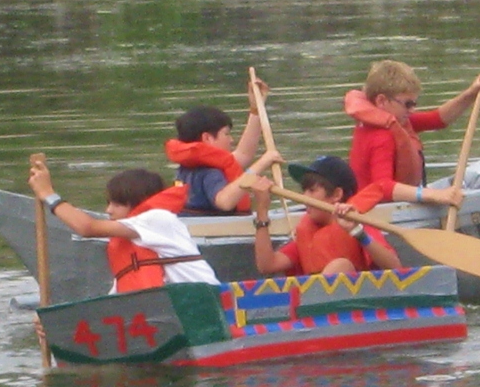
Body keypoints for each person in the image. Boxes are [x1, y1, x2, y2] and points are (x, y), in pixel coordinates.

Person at [28, 161, 220, 293]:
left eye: (117, 204)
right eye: (109, 203)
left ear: (138, 203)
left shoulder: (158, 219)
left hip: (205, 301)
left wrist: (48, 194)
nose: (108, 210)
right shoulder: (129, 241)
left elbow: (87, 228)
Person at [344, 59, 480, 205]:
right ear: (382, 101)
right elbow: (382, 186)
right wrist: (433, 194)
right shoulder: (381, 136)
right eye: (408, 104)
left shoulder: (395, 122)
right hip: (376, 215)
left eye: (414, 104)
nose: (412, 110)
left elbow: (438, 119)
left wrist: (472, 93)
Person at [247, 156, 402, 276]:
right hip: (314, 306)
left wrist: (359, 233)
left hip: (355, 307)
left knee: (341, 265)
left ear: (336, 194)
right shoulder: (307, 233)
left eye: (312, 190)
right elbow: (267, 265)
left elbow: (396, 268)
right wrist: (262, 210)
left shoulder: (358, 225)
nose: (304, 197)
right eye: (304, 190)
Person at [165, 78, 283, 216]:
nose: (231, 140)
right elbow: (225, 202)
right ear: (207, 138)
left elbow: (244, 154)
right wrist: (262, 163)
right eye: (226, 134)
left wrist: (256, 109)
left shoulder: (189, 166)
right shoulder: (209, 173)